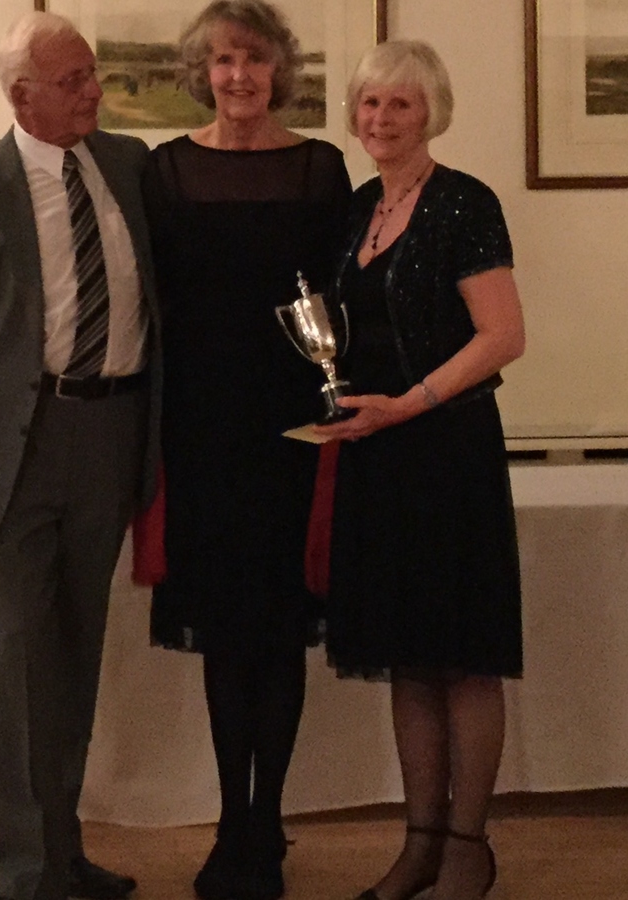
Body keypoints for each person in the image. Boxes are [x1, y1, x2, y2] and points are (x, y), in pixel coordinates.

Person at [0, 12, 161, 900]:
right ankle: (26, 874)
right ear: (22, 96)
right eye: (73, 81)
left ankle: (66, 854)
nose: (94, 91)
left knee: (77, 649)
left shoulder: (128, 166)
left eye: (93, 74)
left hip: (112, 434)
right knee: (22, 658)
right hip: (18, 447)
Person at [139, 2, 351, 898]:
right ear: (202, 71)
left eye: (254, 60)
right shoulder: (165, 171)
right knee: (228, 638)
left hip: (295, 438)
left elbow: (345, 307)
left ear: (279, 71)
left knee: (281, 636)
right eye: (223, 60)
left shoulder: (320, 167)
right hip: (199, 441)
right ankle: (234, 820)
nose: (238, 77)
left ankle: (270, 826)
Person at [314, 40, 525, 900]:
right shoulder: (359, 206)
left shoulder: (464, 202)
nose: (379, 119)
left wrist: (406, 404)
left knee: (463, 659)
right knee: (407, 659)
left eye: (398, 105)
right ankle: (417, 845)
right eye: (367, 104)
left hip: (449, 454)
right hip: (378, 459)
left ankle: (468, 848)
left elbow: (502, 337)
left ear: (429, 111)